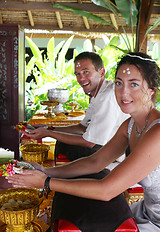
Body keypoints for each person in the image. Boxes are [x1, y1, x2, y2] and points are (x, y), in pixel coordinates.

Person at [7, 52, 160, 232]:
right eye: (119, 83)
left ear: (151, 90)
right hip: (145, 212)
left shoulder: (156, 132)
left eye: (134, 84)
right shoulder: (131, 124)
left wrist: (46, 182)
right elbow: (95, 161)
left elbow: (106, 190)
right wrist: (46, 171)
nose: (123, 92)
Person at [27, 52, 129, 162]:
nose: (81, 78)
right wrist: (50, 128)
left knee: (65, 145)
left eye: (86, 72)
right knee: (63, 141)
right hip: (102, 147)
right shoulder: (97, 93)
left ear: (101, 72)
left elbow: (89, 142)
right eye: (78, 74)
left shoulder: (107, 96)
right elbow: (82, 127)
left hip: (115, 156)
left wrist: (49, 133)